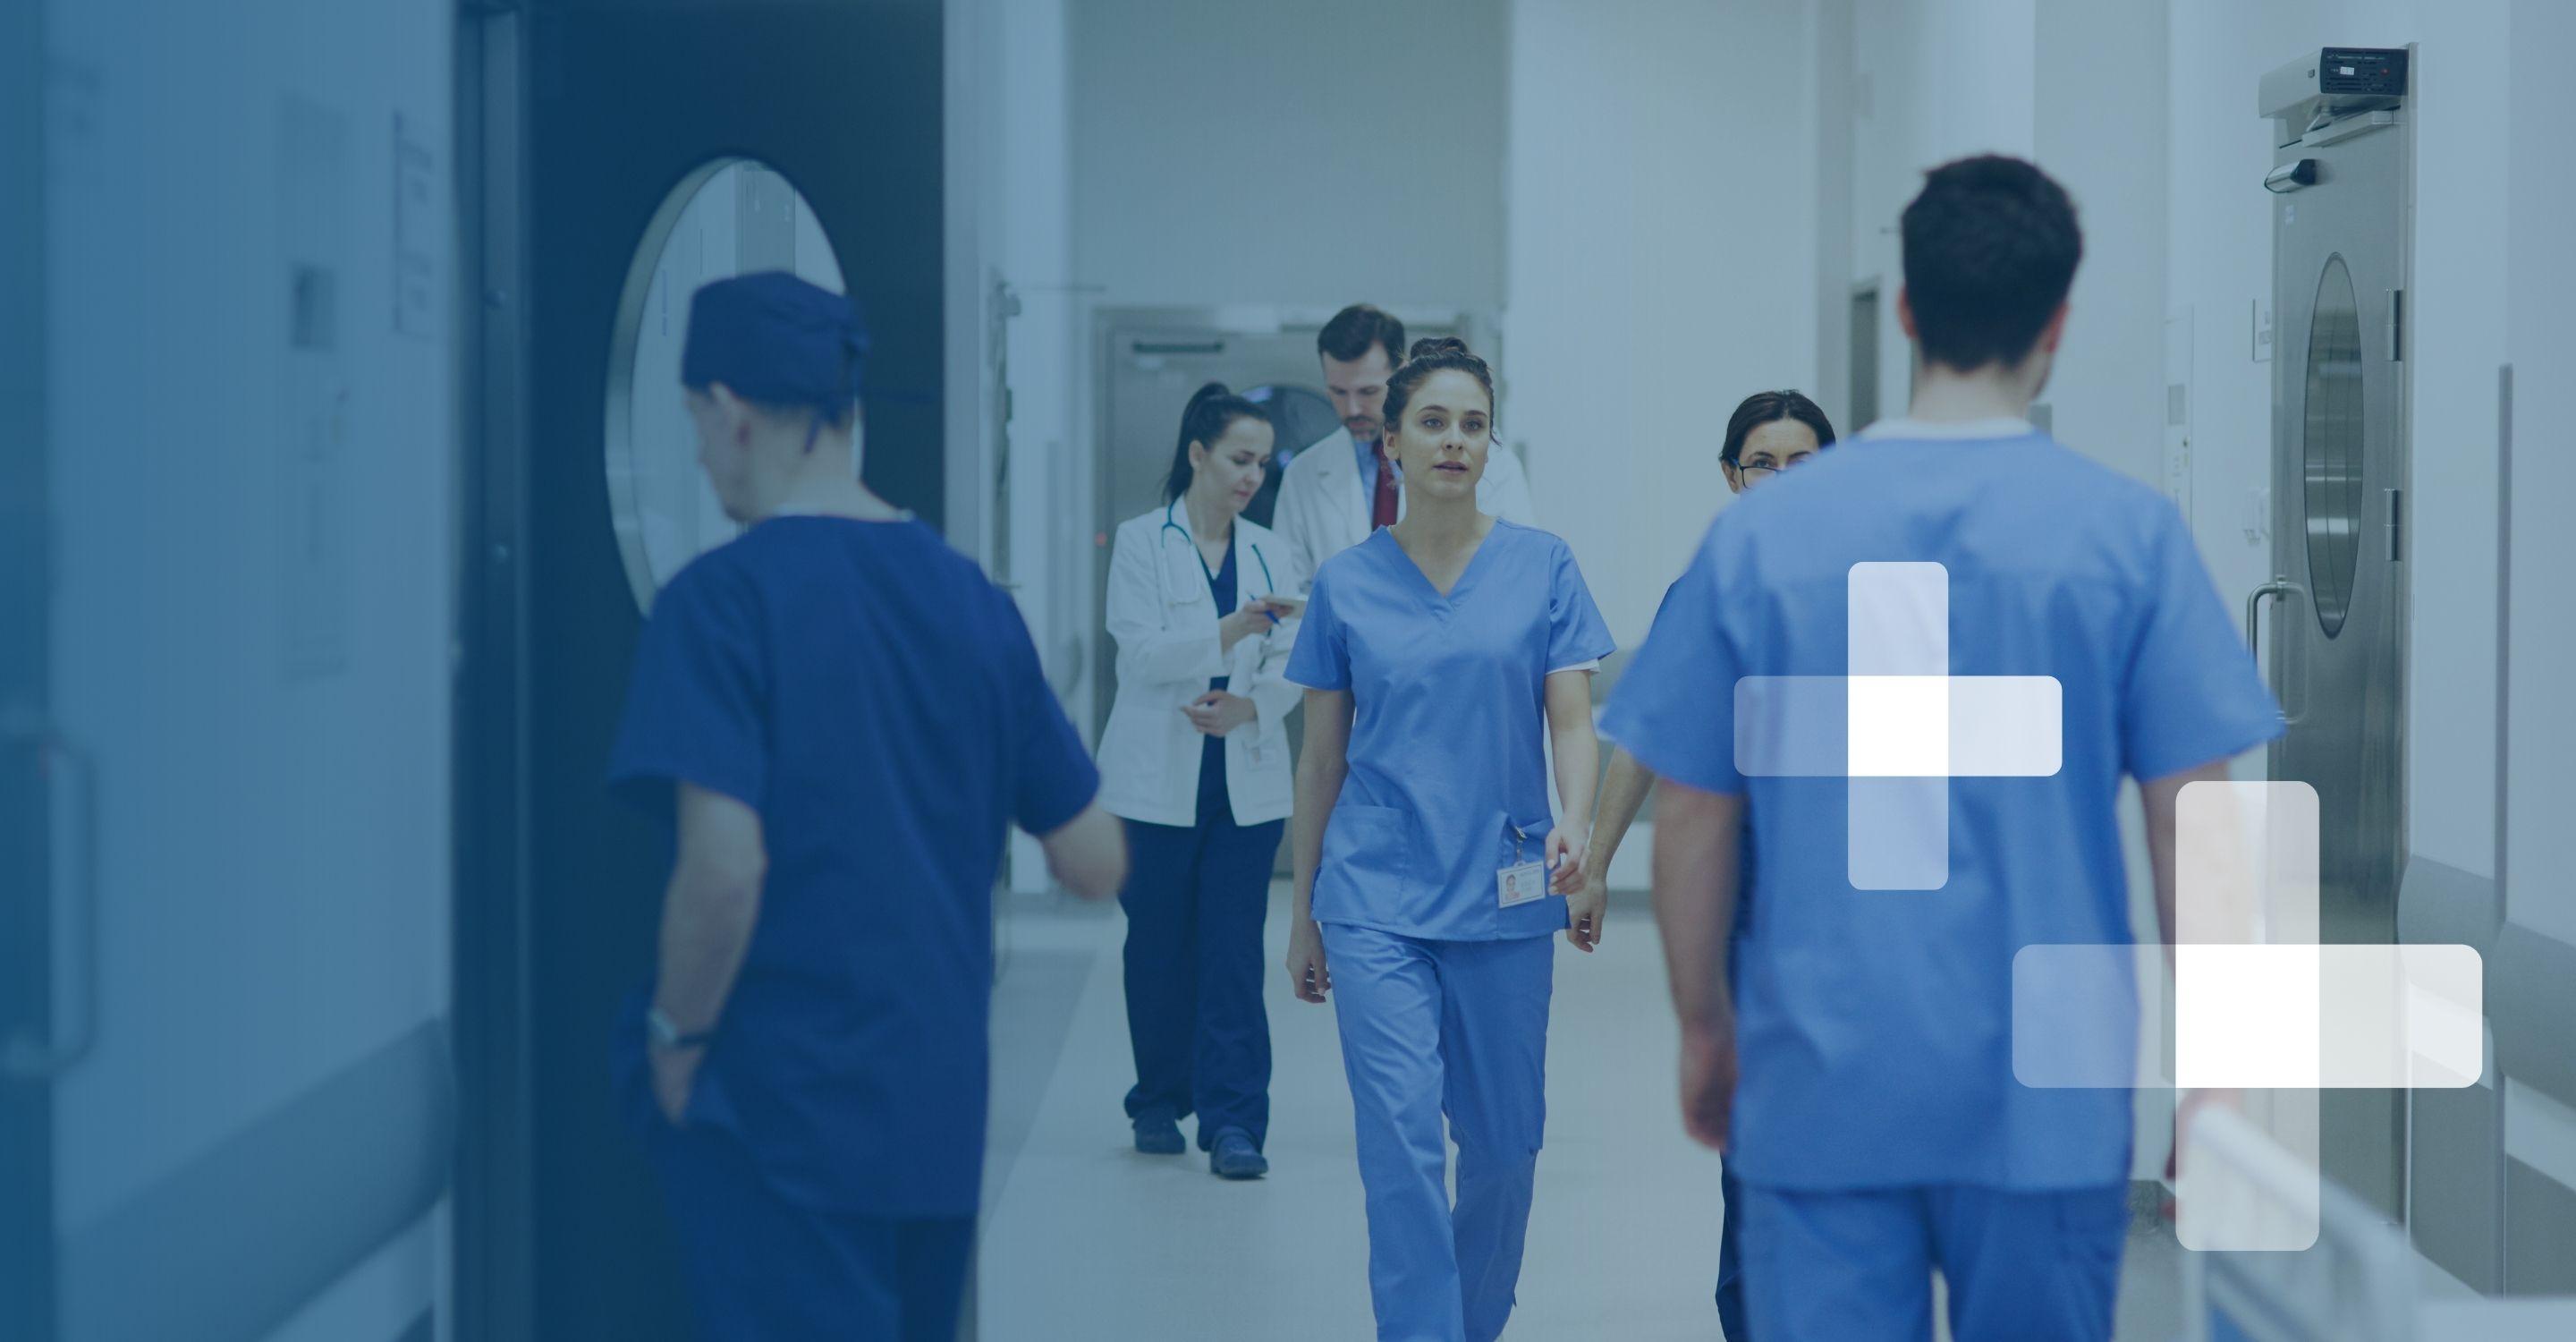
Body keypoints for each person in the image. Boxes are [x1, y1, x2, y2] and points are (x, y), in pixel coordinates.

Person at [1604, 156, 2281, 1342]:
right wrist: (2215, 1077)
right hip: (2047, 1094)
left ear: (1907, 310)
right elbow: (2197, 821)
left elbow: (1696, 814)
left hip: (1820, 1081)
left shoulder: (1765, 541)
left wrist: (1705, 1026)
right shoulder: (2126, 539)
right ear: (2059, 323)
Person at [606, 271, 1128, 1341]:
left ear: (731, 412)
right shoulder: (973, 603)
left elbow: (724, 867)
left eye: (697, 423)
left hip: (777, 1121)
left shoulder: (720, 602)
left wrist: (672, 1039)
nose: (702, 456)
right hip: (931, 1117)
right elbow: (1094, 858)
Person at [1284, 337, 1614, 1342]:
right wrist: (1303, 916)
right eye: (1433, 422)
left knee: (1507, 1150)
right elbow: (1321, 763)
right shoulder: (1346, 585)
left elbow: (1570, 719)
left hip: (1506, 889)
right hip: (1376, 894)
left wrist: (1577, 827)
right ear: (1392, 444)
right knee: (1400, 1145)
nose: (1454, 442)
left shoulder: (1541, 565)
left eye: (1473, 424)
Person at [1583, 388, 1838, 1342]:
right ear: (1730, 477)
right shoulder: (1702, 595)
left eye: (1801, 462)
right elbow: (1645, 743)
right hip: (1749, 905)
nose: (1779, 480)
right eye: (1761, 463)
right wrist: (1599, 862)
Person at [1097, 382, 1308, 1178]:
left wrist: (1252, 707)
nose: (1252, 474)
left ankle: (1234, 1125)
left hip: (1242, 786)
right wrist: (1230, 630)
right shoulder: (1141, 541)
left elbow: (1297, 657)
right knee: (1156, 949)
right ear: (1197, 455)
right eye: (1239, 458)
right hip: (1152, 787)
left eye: (1262, 461)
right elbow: (1141, 655)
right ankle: (1157, 1099)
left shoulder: (1270, 550)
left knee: (1229, 955)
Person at [1272, 304, 1537, 583]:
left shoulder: (1485, 457)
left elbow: (1517, 569)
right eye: (1338, 392)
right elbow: (1289, 594)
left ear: (1399, 376)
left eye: (1368, 392)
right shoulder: (1303, 473)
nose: (1352, 409)